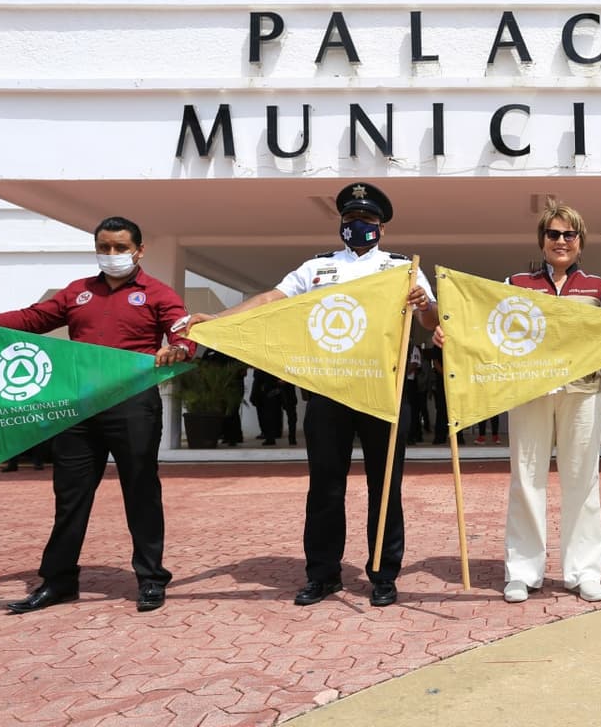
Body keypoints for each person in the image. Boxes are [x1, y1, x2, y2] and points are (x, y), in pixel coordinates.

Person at [186, 182, 438, 607]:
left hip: (384, 390)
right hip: (328, 390)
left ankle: (383, 574)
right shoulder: (316, 269)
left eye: (368, 221)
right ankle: (322, 574)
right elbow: (271, 298)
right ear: (341, 225)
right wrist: (218, 319)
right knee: (325, 487)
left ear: (382, 227)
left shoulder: (402, 268)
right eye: (350, 220)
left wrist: (422, 302)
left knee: (385, 487)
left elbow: (431, 322)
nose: (358, 226)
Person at [437, 198, 601, 603]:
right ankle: (522, 572)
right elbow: (483, 324)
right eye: (553, 234)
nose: (561, 241)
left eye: (568, 234)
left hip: (583, 393)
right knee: (526, 480)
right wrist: (449, 334)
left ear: (580, 242)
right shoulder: (517, 284)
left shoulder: (599, 287)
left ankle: (584, 571)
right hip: (528, 392)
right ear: (542, 241)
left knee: (582, 482)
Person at [0, 216, 194, 614]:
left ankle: (150, 579)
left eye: (120, 248)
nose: (112, 255)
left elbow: (183, 334)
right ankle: (58, 582)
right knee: (69, 496)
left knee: (140, 491)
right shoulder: (77, 293)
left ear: (139, 251)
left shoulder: (158, 293)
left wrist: (177, 349)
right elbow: (31, 319)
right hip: (78, 409)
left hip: (133, 405)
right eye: (104, 247)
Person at [250, 368, 285, 446]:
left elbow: (258, 381)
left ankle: (270, 435)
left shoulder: (262, 368)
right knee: (270, 414)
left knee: (268, 415)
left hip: (267, 392)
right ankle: (271, 434)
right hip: (267, 391)